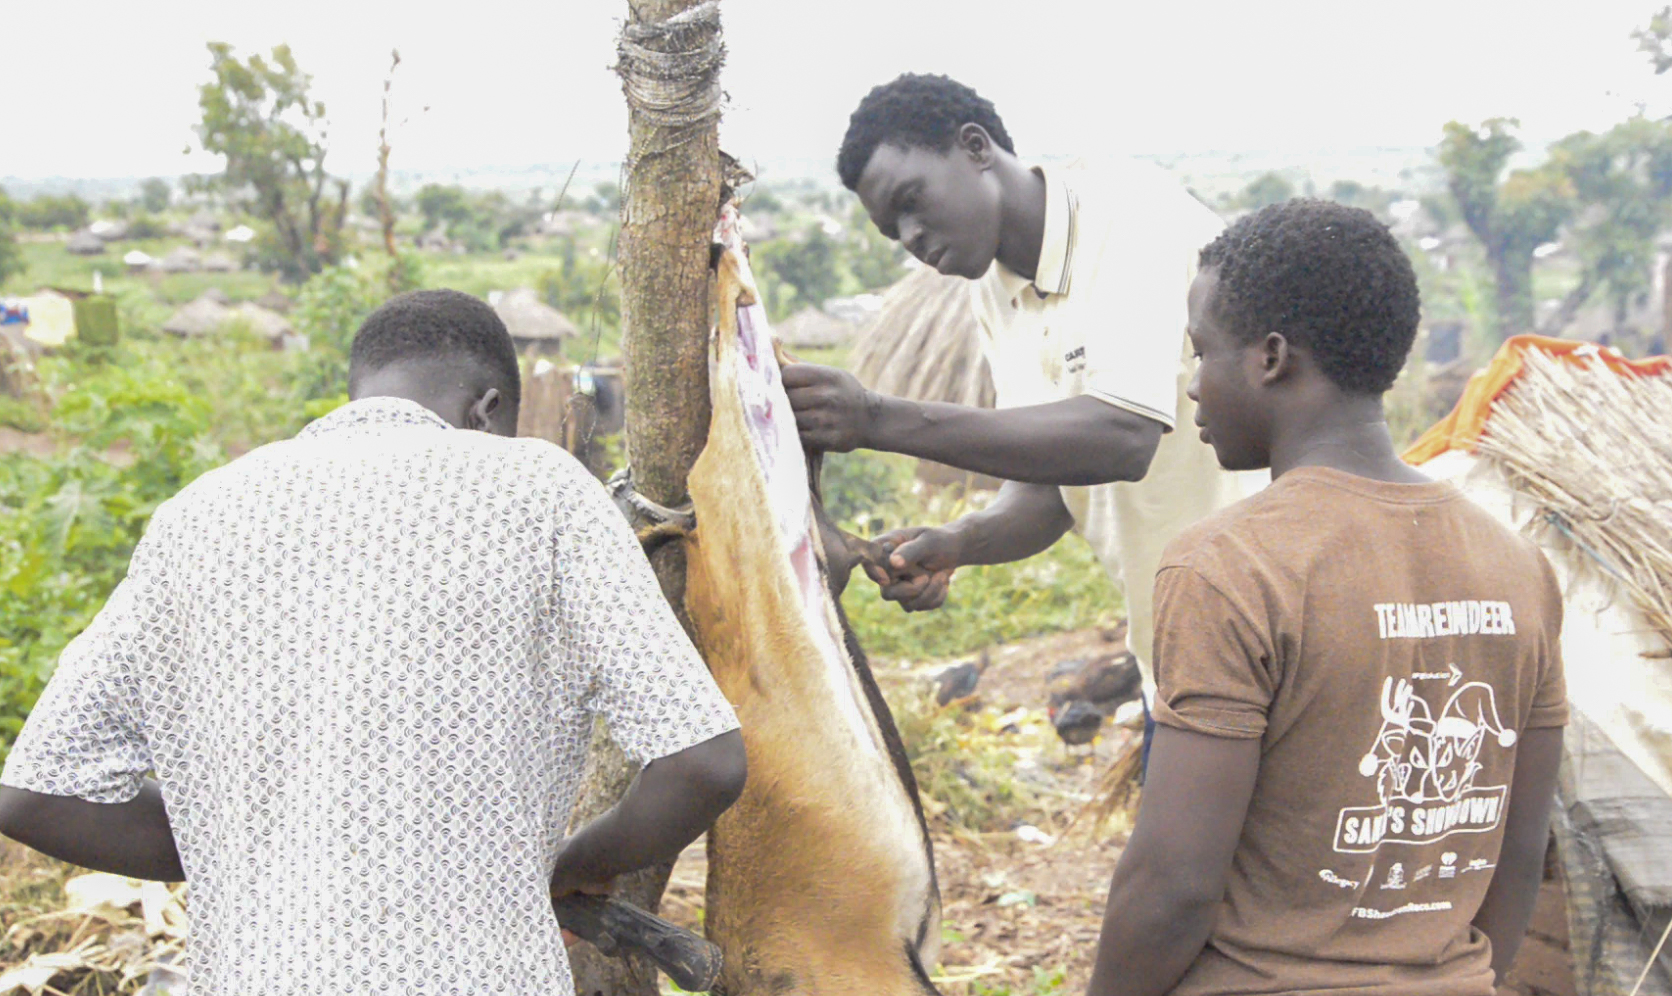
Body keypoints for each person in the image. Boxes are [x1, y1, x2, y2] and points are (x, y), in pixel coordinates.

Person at [0, 290, 746, 996]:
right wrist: (569, 863)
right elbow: (702, 761)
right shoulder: (541, 491)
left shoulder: (198, 515)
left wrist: (254, 845)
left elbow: (37, 793)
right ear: (487, 410)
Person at [1087, 200, 1567, 996]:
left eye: (1202, 352)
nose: (1192, 387)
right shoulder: (1518, 567)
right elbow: (1519, 857)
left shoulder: (1228, 567)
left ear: (1270, 357)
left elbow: (1173, 886)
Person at [784, 73, 1264, 696]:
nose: (910, 238)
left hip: (1268, 627)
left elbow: (1122, 438)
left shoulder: (1130, 220)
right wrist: (960, 541)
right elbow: (1047, 490)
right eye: (891, 231)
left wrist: (876, 419)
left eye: (911, 200)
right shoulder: (995, 289)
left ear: (976, 147)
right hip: (1179, 649)